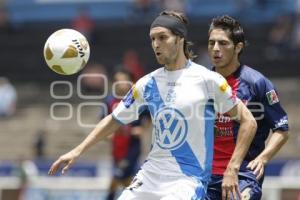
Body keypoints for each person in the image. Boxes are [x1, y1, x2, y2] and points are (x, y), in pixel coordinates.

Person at [49, 10, 257, 199]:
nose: (156, 44)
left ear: (180, 39)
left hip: (187, 180)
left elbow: (249, 122)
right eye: (153, 39)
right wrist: (77, 150)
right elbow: (114, 120)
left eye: (162, 38)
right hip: (151, 174)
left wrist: (233, 168)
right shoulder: (147, 83)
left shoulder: (208, 80)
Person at [205, 15, 289, 200]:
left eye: (223, 43)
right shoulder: (201, 82)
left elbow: (282, 130)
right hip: (205, 174)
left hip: (243, 173)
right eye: (212, 43)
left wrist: (263, 158)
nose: (215, 49)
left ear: (238, 47)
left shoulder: (257, 83)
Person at [105, 69, 145, 200]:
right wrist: (108, 134)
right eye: (118, 81)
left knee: (118, 176)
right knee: (127, 180)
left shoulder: (137, 100)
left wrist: (142, 129)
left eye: (124, 80)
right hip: (117, 148)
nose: (121, 84)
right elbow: (103, 122)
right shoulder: (109, 101)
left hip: (132, 148)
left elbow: (148, 118)